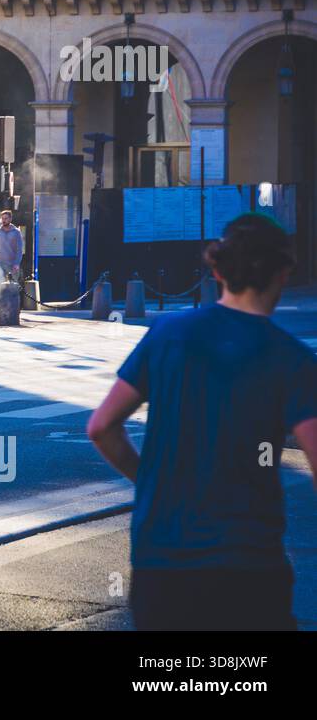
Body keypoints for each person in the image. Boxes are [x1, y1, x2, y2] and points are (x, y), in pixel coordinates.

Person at [87, 214, 317, 631]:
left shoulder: (167, 334)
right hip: (249, 562)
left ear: (217, 270)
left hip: (162, 560)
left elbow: (101, 427)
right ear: (284, 272)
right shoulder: (293, 359)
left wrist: (151, 478)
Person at [0, 209, 24, 281]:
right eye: (2, 218)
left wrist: (16, 263)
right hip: (0, 263)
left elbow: (19, 250)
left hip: (12, 264)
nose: (3, 220)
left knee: (14, 287)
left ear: (10, 219)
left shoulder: (16, 232)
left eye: (6, 218)